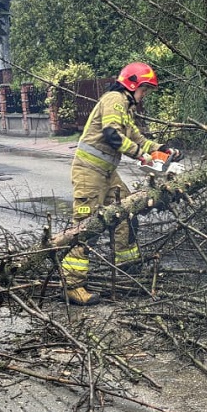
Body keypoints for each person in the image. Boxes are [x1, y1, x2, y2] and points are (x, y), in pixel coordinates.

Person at [60, 62, 180, 306]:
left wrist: (161, 149)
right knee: (86, 227)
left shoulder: (125, 107)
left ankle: (127, 272)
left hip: (107, 172)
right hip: (89, 173)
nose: (144, 95)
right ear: (132, 84)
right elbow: (113, 135)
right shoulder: (114, 99)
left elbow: (135, 136)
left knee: (126, 213)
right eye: (144, 89)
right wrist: (141, 155)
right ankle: (72, 285)